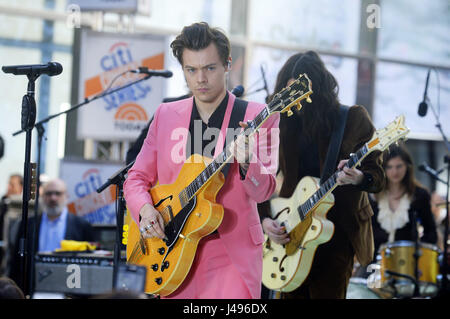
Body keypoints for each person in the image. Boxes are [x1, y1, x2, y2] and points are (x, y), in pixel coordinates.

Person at [124, 22, 279, 299]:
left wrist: (247, 162)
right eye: (191, 70)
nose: (200, 79)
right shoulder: (165, 114)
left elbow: (264, 189)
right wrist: (145, 211)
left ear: (227, 65)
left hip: (232, 254)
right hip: (174, 251)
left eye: (210, 68)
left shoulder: (259, 115)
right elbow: (135, 178)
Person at [259, 51, 385, 299]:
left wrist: (358, 177)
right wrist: (264, 219)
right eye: (288, 91)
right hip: (291, 229)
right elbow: (261, 177)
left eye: (299, 92)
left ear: (317, 89)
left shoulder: (352, 119)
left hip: (336, 235)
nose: (292, 99)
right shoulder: (282, 122)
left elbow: (377, 175)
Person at [9, 178, 95, 287]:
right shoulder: (28, 224)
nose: (53, 198)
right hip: (33, 287)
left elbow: (90, 264)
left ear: (66, 196)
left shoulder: (82, 226)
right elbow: (16, 262)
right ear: (42, 197)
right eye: (48, 193)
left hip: (69, 288)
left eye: (58, 193)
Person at [369, 144, 438, 257]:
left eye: (399, 166)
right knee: (359, 275)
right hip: (375, 261)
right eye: (389, 167)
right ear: (383, 169)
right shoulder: (373, 196)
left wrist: (419, 253)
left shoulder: (420, 195)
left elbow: (431, 233)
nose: (394, 172)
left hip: (408, 260)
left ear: (407, 166)